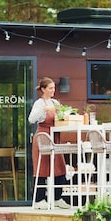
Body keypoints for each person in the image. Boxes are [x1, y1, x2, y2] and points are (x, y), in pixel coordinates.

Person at [28, 77, 72, 209]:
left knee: (59, 167)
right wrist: (45, 110)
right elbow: (31, 119)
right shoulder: (39, 103)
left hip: (55, 137)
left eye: (54, 88)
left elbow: (62, 117)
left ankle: (58, 197)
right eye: (51, 88)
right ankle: (39, 199)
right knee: (42, 168)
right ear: (43, 89)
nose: (53, 90)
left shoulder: (55, 102)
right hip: (43, 137)